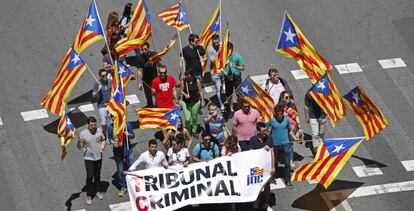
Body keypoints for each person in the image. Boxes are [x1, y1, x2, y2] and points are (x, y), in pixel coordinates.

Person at [267, 104, 298, 188]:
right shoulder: (272, 120)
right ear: (275, 113)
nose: (279, 116)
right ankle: (273, 177)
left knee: (287, 164)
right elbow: (267, 131)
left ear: (283, 113)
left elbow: (290, 130)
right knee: (275, 162)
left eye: (281, 114)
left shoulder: (286, 120)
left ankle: (288, 180)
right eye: (278, 114)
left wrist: (295, 138)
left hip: (286, 144)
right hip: (275, 145)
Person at [77, 116, 106, 205]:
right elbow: (79, 147)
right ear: (88, 125)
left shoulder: (99, 131)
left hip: (98, 157)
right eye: (91, 125)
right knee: (90, 176)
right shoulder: (83, 134)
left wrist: (102, 146)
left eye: (94, 124)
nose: (93, 127)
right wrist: (80, 142)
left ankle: (97, 191)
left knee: (97, 175)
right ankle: (89, 195)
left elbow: (103, 139)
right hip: (88, 157)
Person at [249, 122, 275, 210]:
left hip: (267, 167)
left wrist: (273, 167)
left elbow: (272, 153)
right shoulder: (252, 139)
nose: (265, 132)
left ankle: (266, 204)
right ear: (258, 131)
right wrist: (262, 149)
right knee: (257, 186)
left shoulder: (270, 138)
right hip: (257, 167)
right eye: (263, 131)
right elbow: (251, 153)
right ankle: (255, 203)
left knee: (267, 185)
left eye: (266, 130)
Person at [107, 121, 135, 197]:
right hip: (117, 153)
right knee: (120, 171)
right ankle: (124, 186)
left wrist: (128, 134)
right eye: (113, 117)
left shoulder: (126, 125)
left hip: (128, 150)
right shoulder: (110, 127)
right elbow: (109, 138)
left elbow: (133, 136)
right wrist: (112, 142)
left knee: (131, 168)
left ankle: (133, 184)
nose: (114, 119)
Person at [181, 69, 205, 137]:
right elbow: (181, 91)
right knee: (187, 119)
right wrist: (185, 95)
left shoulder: (196, 81)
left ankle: (194, 130)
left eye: (187, 75)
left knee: (194, 117)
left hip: (195, 102)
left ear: (191, 75)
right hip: (186, 103)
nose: (186, 76)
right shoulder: (184, 81)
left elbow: (200, 91)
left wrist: (202, 100)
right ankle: (188, 131)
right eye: (186, 75)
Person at [304, 90, 327, 156]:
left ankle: (321, 148)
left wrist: (323, 116)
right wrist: (306, 116)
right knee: (315, 134)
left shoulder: (324, 92)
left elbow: (327, 104)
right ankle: (316, 151)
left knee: (321, 134)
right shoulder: (308, 93)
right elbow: (306, 106)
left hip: (322, 116)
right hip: (313, 116)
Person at [224, 42, 245, 112]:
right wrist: (227, 76)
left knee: (240, 94)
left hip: (237, 78)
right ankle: (231, 109)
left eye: (229, 49)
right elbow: (220, 68)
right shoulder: (223, 57)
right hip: (228, 78)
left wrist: (235, 66)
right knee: (229, 95)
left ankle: (239, 109)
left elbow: (243, 68)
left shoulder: (237, 56)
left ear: (232, 49)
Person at [136, 42, 158, 107]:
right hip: (146, 80)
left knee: (157, 95)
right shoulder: (140, 58)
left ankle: (158, 108)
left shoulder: (154, 54)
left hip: (155, 79)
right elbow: (139, 70)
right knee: (148, 97)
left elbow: (159, 64)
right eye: (142, 49)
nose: (144, 51)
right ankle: (150, 107)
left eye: (145, 49)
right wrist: (139, 83)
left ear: (148, 48)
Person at [92, 69, 112, 138]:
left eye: (106, 75)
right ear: (100, 76)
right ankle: (105, 134)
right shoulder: (97, 83)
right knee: (104, 122)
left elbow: (113, 91)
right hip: (102, 105)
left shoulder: (110, 81)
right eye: (103, 76)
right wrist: (98, 90)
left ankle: (111, 134)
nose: (105, 76)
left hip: (110, 104)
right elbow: (93, 95)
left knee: (112, 121)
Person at [208, 34, 225, 111]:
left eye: (217, 42)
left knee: (223, 87)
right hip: (215, 72)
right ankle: (221, 105)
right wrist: (220, 55)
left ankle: (222, 97)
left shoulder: (222, 45)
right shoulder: (210, 49)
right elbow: (213, 60)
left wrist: (223, 49)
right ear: (212, 42)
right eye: (214, 43)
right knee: (218, 88)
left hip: (223, 70)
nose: (216, 44)